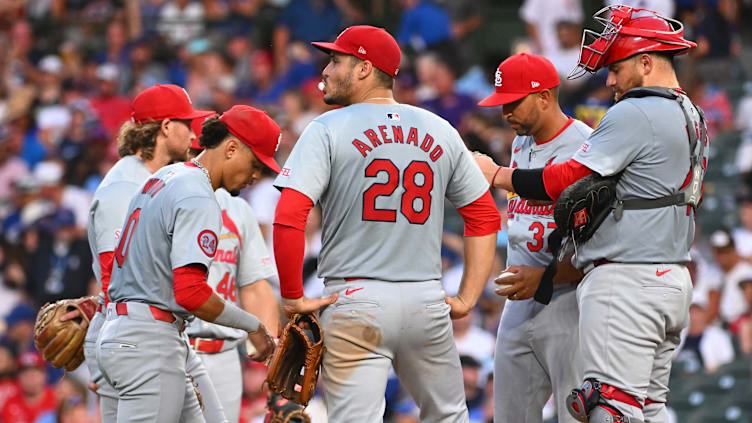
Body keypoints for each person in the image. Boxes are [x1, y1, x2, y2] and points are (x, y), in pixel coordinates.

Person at [474, 6, 706, 423]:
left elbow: (568, 177)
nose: (610, 80)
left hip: (626, 279)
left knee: (608, 409)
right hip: (669, 276)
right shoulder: (690, 113)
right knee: (643, 411)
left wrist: (498, 175)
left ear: (646, 61)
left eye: (616, 67)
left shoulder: (635, 112)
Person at [273, 25, 501, 422]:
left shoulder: (327, 127)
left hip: (356, 299)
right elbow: (483, 215)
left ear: (364, 68)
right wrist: (466, 298)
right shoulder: (440, 129)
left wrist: (293, 294)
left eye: (336, 60)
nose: (325, 70)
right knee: (449, 415)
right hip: (425, 300)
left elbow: (290, 214)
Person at [96, 105, 278, 422]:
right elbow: (190, 293)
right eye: (256, 163)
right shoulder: (197, 194)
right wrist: (254, 326)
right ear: (231, 148)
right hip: (148, 341)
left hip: (146, 332)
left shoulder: (167, 175)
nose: (257, 176)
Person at [83, 83, 222, 422]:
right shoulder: (124, 188)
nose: (194, 134)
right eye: (187, 124)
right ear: (164, 127)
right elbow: (114, 276)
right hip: (134, 335)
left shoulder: (157, 180)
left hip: (158, 331)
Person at [477, 53, 589, 423]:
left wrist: (544, 277)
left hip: (570, 299)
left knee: (577, 415)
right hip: (519, 298)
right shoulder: (520, 143)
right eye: (502, 103)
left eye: (514, 102)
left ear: (544, 97)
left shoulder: (586, 145)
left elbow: (599, 244)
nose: (505, 112)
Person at [185, 122, 280, 423]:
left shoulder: (238, 209)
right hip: (175, 346)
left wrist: (272, 357)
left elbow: (255, 286)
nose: (256, 176)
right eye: (254, 165)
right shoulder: (172, 194)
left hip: (225, 355)